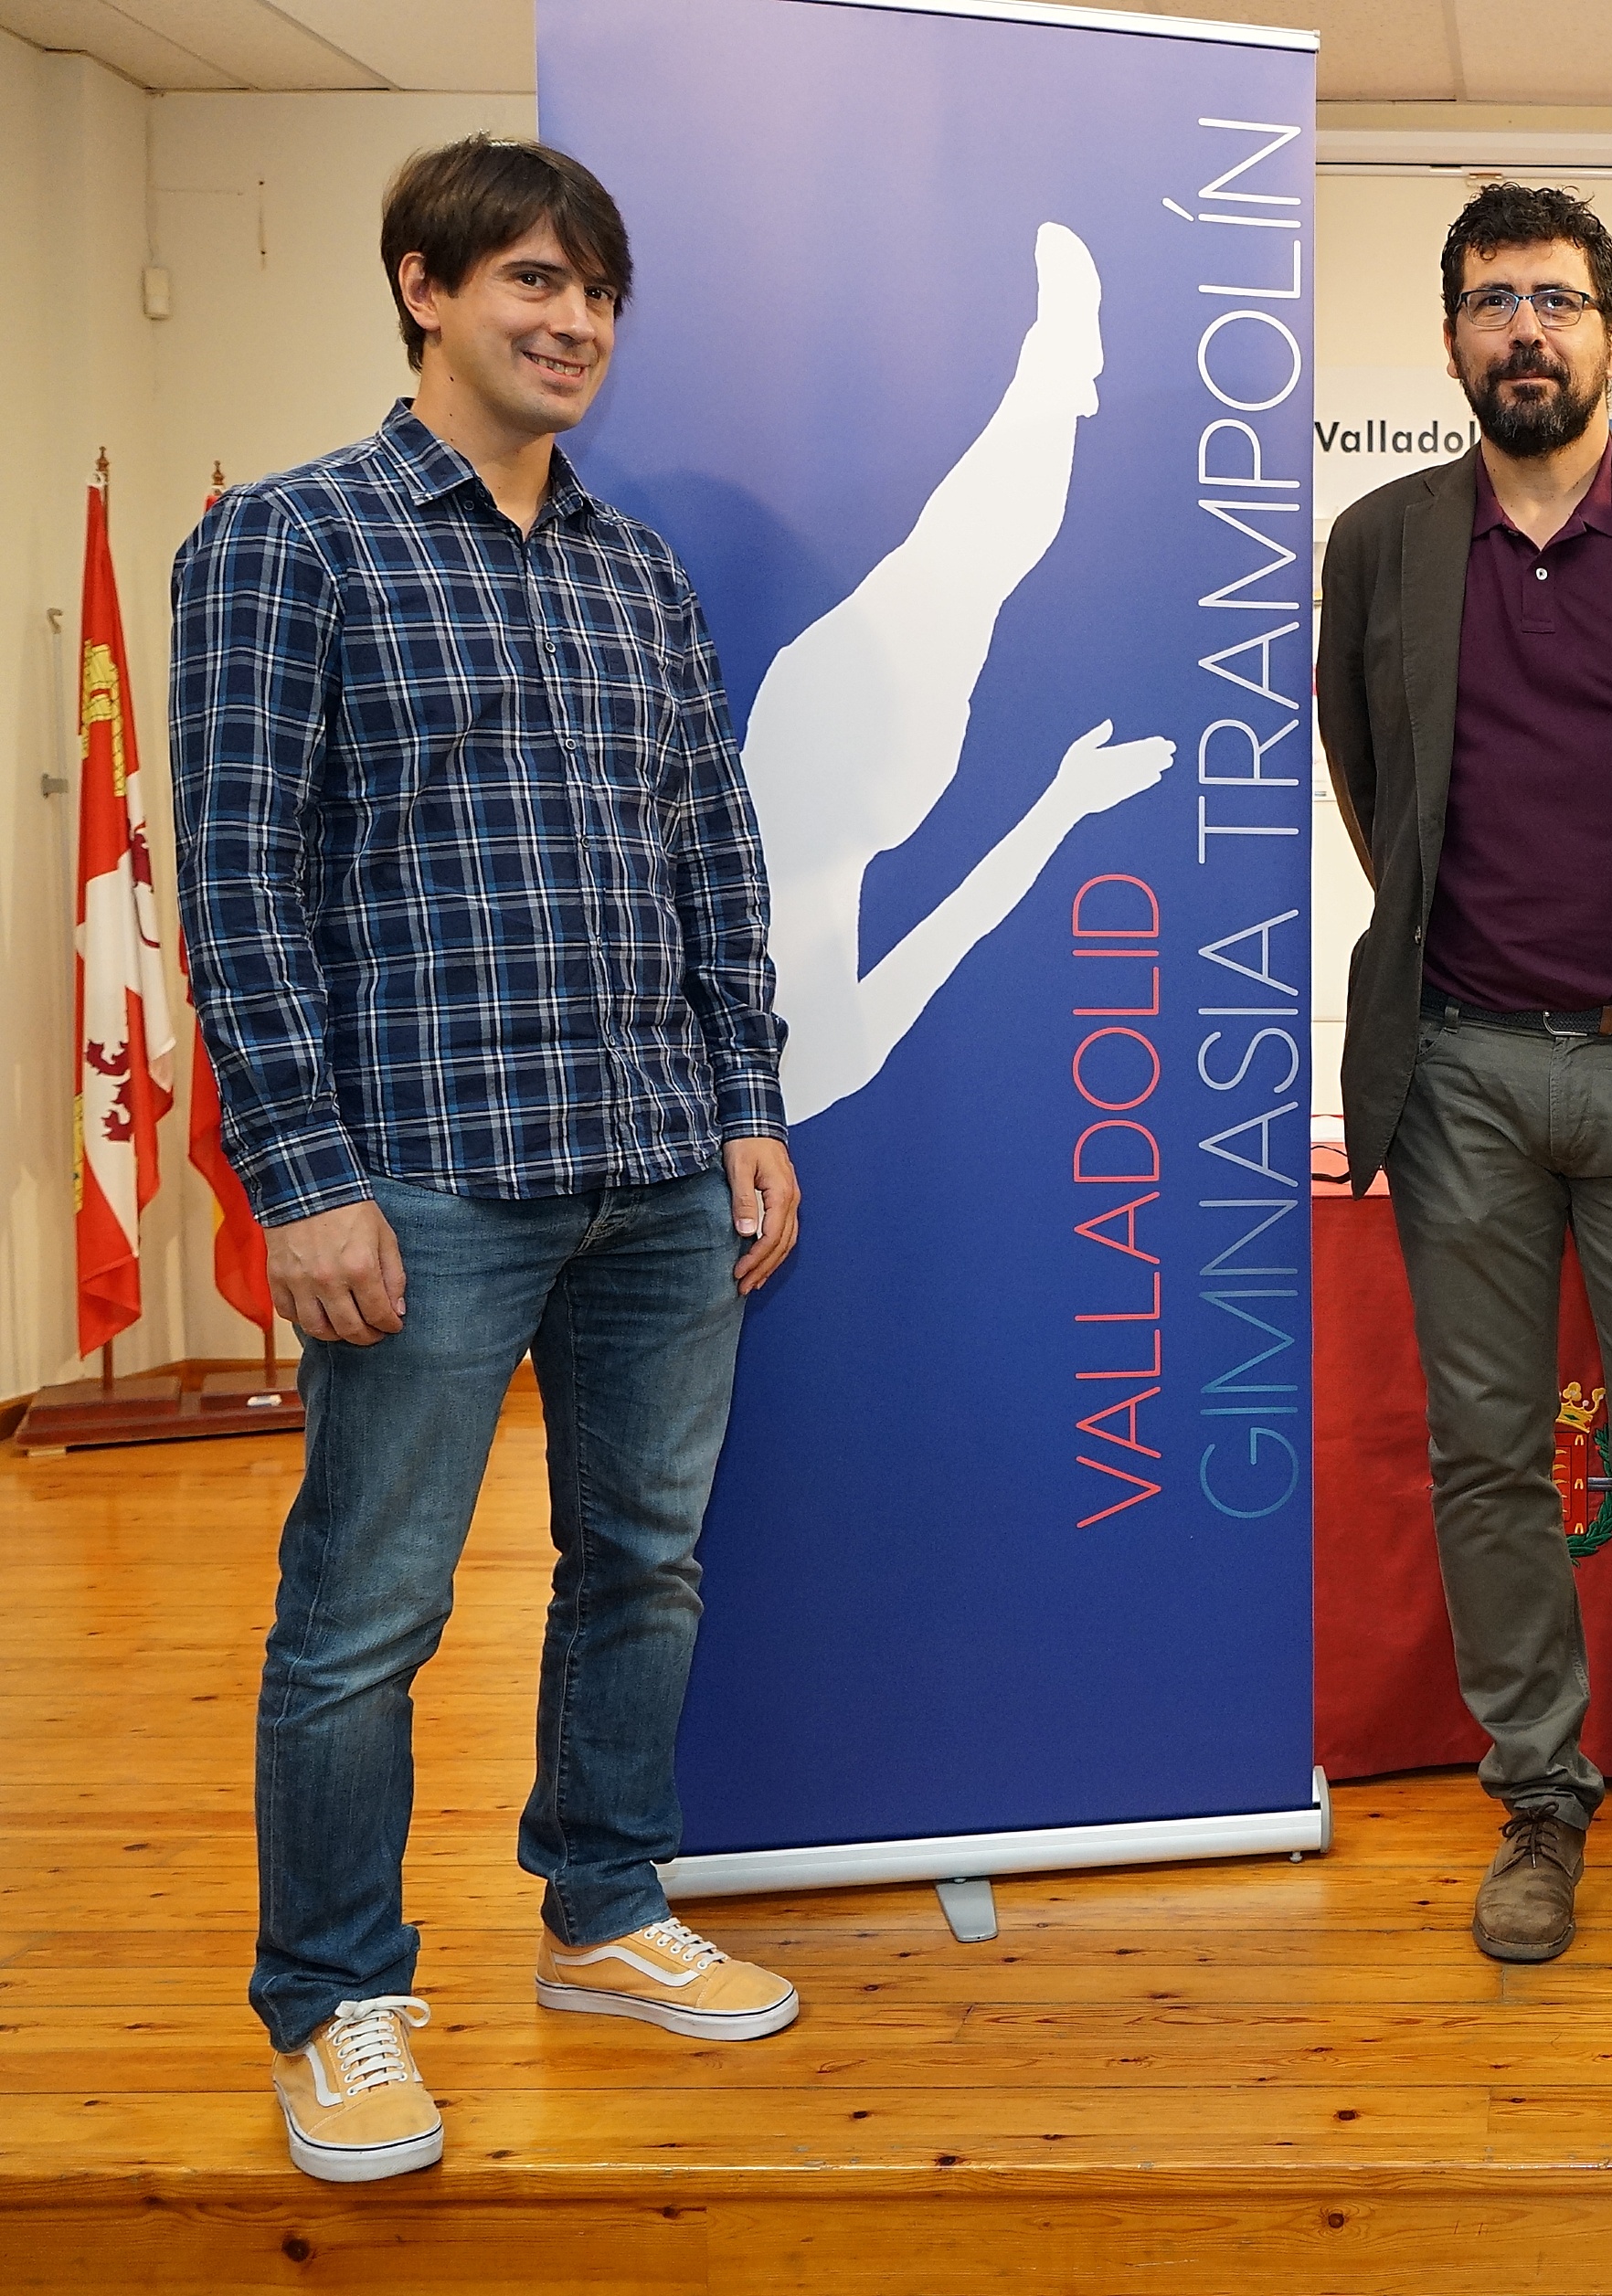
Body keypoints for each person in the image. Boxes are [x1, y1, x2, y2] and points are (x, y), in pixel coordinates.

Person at [172, 135, 805, 2186]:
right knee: (366, 1610)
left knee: (643, 1565)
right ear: (424, 288)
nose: (575, 321)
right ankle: (332, 1997)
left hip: (654, 1167)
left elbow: (711, 853)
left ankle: (603, 1912)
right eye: (533, 279)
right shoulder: (287, 544)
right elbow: (240, 887)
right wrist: (299, 1174)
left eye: (599, 292)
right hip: (423, 1175)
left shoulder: (637, 571)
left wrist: (747, 1101)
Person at [1315, 184, 1612, 1969]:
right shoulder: (1379, 542)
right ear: (1450, 337)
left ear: (1611, 333)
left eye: (1557, 300)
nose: (1525, 329)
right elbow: (1371, 783)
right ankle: (1536, 1795)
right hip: (1456, 1068)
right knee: (1485, 1460)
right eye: (1491, 300)